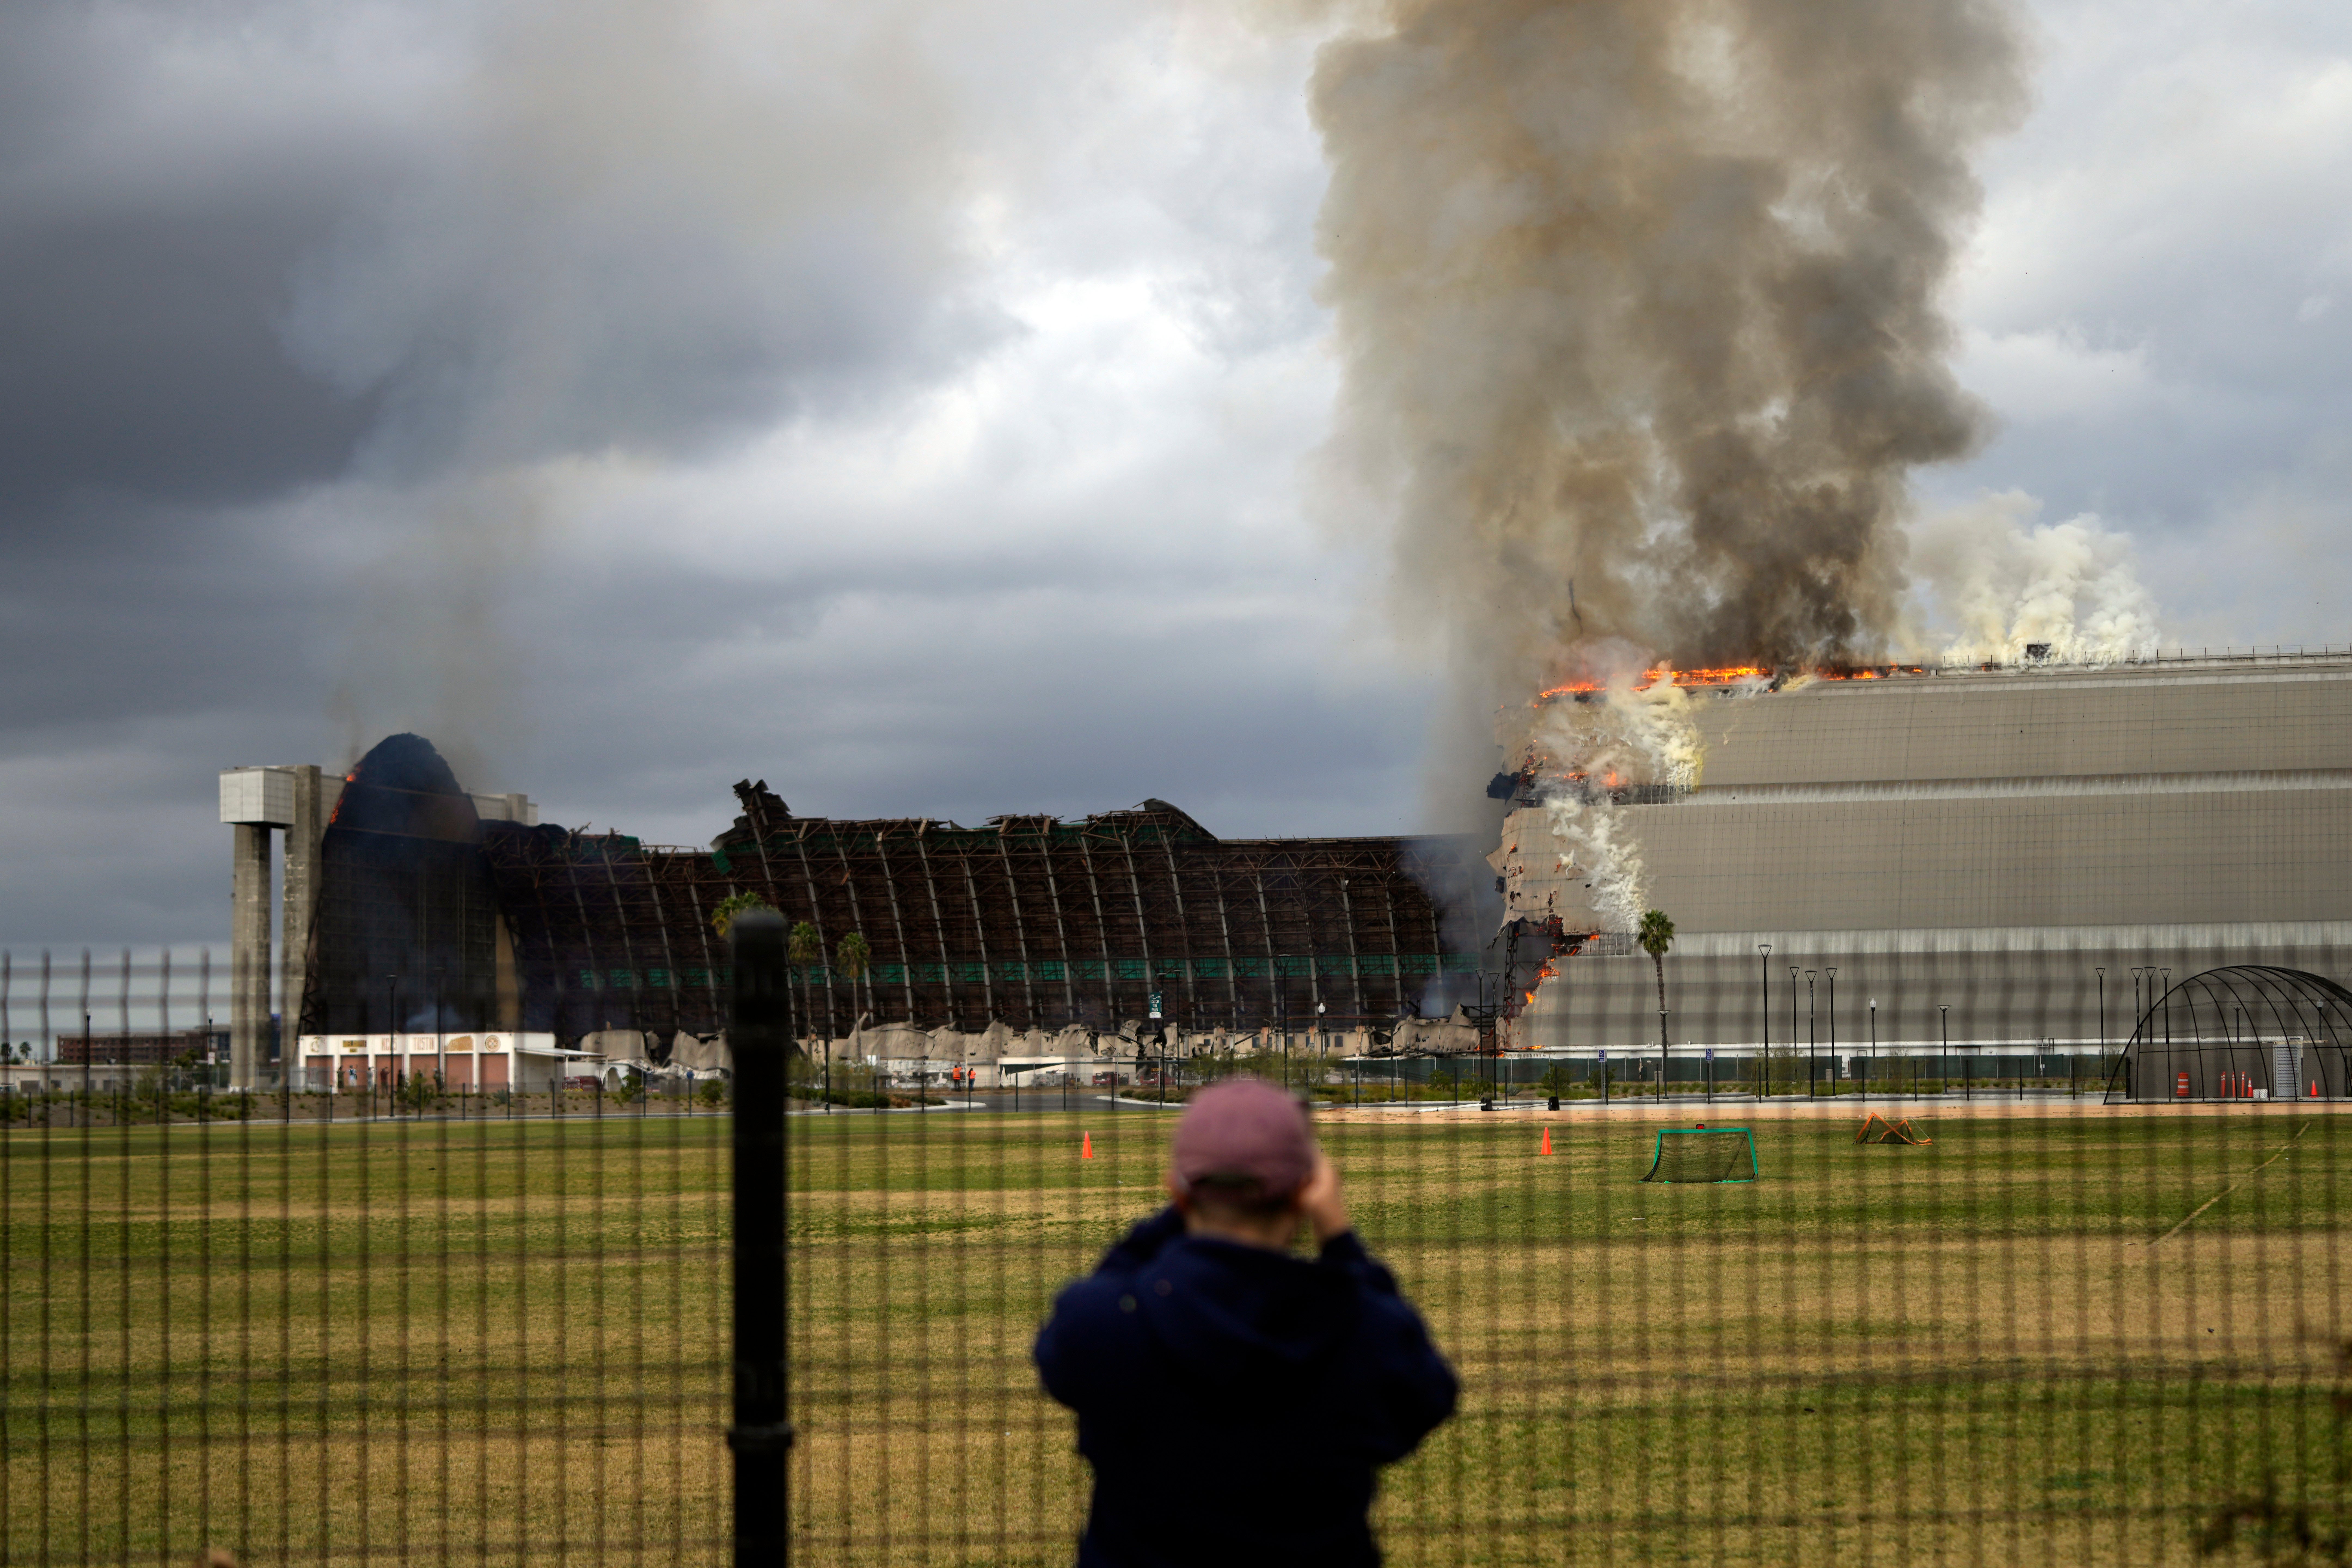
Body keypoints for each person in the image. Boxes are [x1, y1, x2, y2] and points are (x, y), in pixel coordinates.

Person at [1033, 1077, 1457, 1567]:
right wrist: (1341, 1240)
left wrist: (1179, 1208)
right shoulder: (1356, 1331)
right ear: (1306, 1193)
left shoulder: (1108, 1324)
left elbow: (1066, 1342)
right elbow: (1425, 1396)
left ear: (1179, 1191)